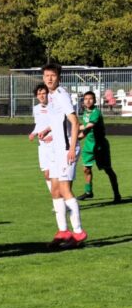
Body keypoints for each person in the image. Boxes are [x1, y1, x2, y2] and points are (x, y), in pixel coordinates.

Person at [39, 63, 86, 248]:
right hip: (56, 149)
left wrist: (72, 148)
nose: (49, 78)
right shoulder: (51, 96)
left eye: (53, 75)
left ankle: (78, 232)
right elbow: (58, 119)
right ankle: (63, 231)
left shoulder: (61, 94)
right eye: (46, 76)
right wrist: (47, 130)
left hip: (66, 150)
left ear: (59, 77)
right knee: (55, 190)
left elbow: (74, 121)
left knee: (65, 189)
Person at [76, 91, 121, 203]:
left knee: (108, 170)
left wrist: (77, 134)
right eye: (86, 99)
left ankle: (117, 194)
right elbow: (84, 128)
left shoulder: (96, 112)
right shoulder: (85, 112)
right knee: (86, 169)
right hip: (89, 146)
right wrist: (74, 132)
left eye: (90, 98)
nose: (88, 101)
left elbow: (89, 126)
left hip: (100, 146)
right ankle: (88, 192)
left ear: (95, 100)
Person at [29, 83, 54, 195]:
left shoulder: (54, 107)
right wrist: (33, 133)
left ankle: (63, 199)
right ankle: (57, 199)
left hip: (54, 144)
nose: (42, 96)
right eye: (39, 94)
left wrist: (53, 135)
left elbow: (59, 124)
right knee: (47, 174)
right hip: (42, 145)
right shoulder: (36, 108)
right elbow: (38, 124)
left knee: (56, 175)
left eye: (44, 93)